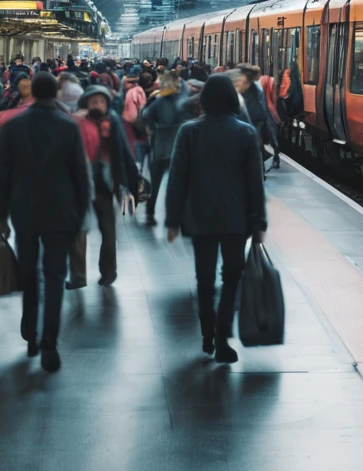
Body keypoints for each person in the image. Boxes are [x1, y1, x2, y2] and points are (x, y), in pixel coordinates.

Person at [0, 71, 91, 372]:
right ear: (57, 94)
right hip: (61, 212)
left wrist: (0, 215)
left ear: (32, 91)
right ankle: (50, 341)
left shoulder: (12, 126)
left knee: (29, 271)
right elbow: (80, 176)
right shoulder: (68, 127)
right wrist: (81, 213)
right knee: (55, 275)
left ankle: (30, 329)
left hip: (24, 211)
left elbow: (1, 175)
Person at [165, 74, 267, 364]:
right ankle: (222, 338)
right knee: (231, 278)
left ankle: (207, 334)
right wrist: (259, 221)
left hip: (199, 218)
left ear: (205, 100)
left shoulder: (188, 131)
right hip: (236, 220)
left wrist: (172, 219)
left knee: (204, 279)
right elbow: (255, 183)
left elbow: (177, 180)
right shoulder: (246, 133)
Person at [69, 85, 138, 289]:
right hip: (80, 186)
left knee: (108, 232)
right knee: (78, 232)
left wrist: (132, 184)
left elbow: (124, 152)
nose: (97, 105)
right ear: (86, 104)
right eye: (93, 102)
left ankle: (109, 272)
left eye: (101, 101)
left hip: (106, 186)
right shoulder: (77, 123)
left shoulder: (113, 121)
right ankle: (78, 275)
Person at [140, 72, 192, 227]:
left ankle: (150, 212)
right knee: (179, 182)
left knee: (155, 181)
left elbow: (145, 115)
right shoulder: (184, 100)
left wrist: (152, 126)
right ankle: (178, 214)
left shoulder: (158, 101)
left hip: (160, 146)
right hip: (179, 148)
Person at [233, 65, 280, 171]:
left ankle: (257, 168)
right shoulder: (255, 87)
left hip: (251, 121)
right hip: (252, 122)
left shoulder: (249, 87)